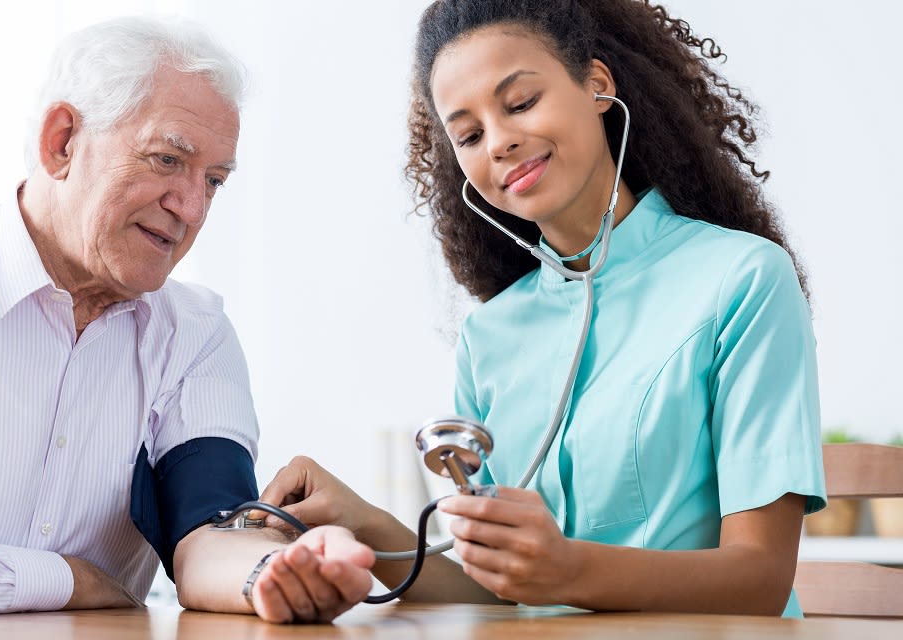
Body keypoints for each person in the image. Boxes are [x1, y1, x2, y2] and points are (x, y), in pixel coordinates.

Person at [257, 0, 826, 617]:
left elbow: (761, 580)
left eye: (521, 102)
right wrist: (363, 520)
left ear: (598, 86)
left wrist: (567, 569)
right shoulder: (489, 334)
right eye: (469, 135)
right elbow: (505, 595)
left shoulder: (742, 279)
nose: (499, 142)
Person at [0, 16, 372, 623]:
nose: (192, 208)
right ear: (62, 141)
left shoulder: (196, 334)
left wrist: (270, 572)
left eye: (214, 181)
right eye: (168, 159)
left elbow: (209, 530)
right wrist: (69, 580)